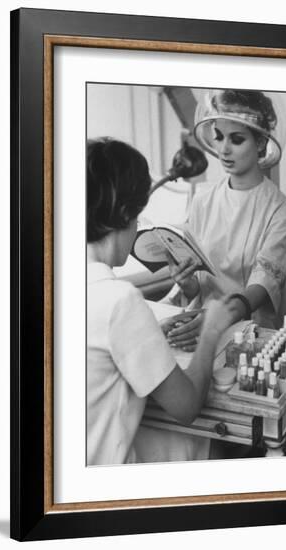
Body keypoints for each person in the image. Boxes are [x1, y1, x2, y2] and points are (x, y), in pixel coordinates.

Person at [86, 137, 236, 465]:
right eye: (137, 215)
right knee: (215, 445)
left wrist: (150, 330)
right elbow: (186, 407)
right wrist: (211, 330)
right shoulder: (119, 300)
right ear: (126, 214)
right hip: (103, 481)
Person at [165, 89, 286, 351]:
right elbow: (198, 287)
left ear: (260, 142)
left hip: (248, 333)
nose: (224, 149)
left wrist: (216, 320)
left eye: (237, 139)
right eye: (218, 136)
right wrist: (186, 281)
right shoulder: (203, 200)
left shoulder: (281, 210)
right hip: (199, 325)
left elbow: (261, 287)